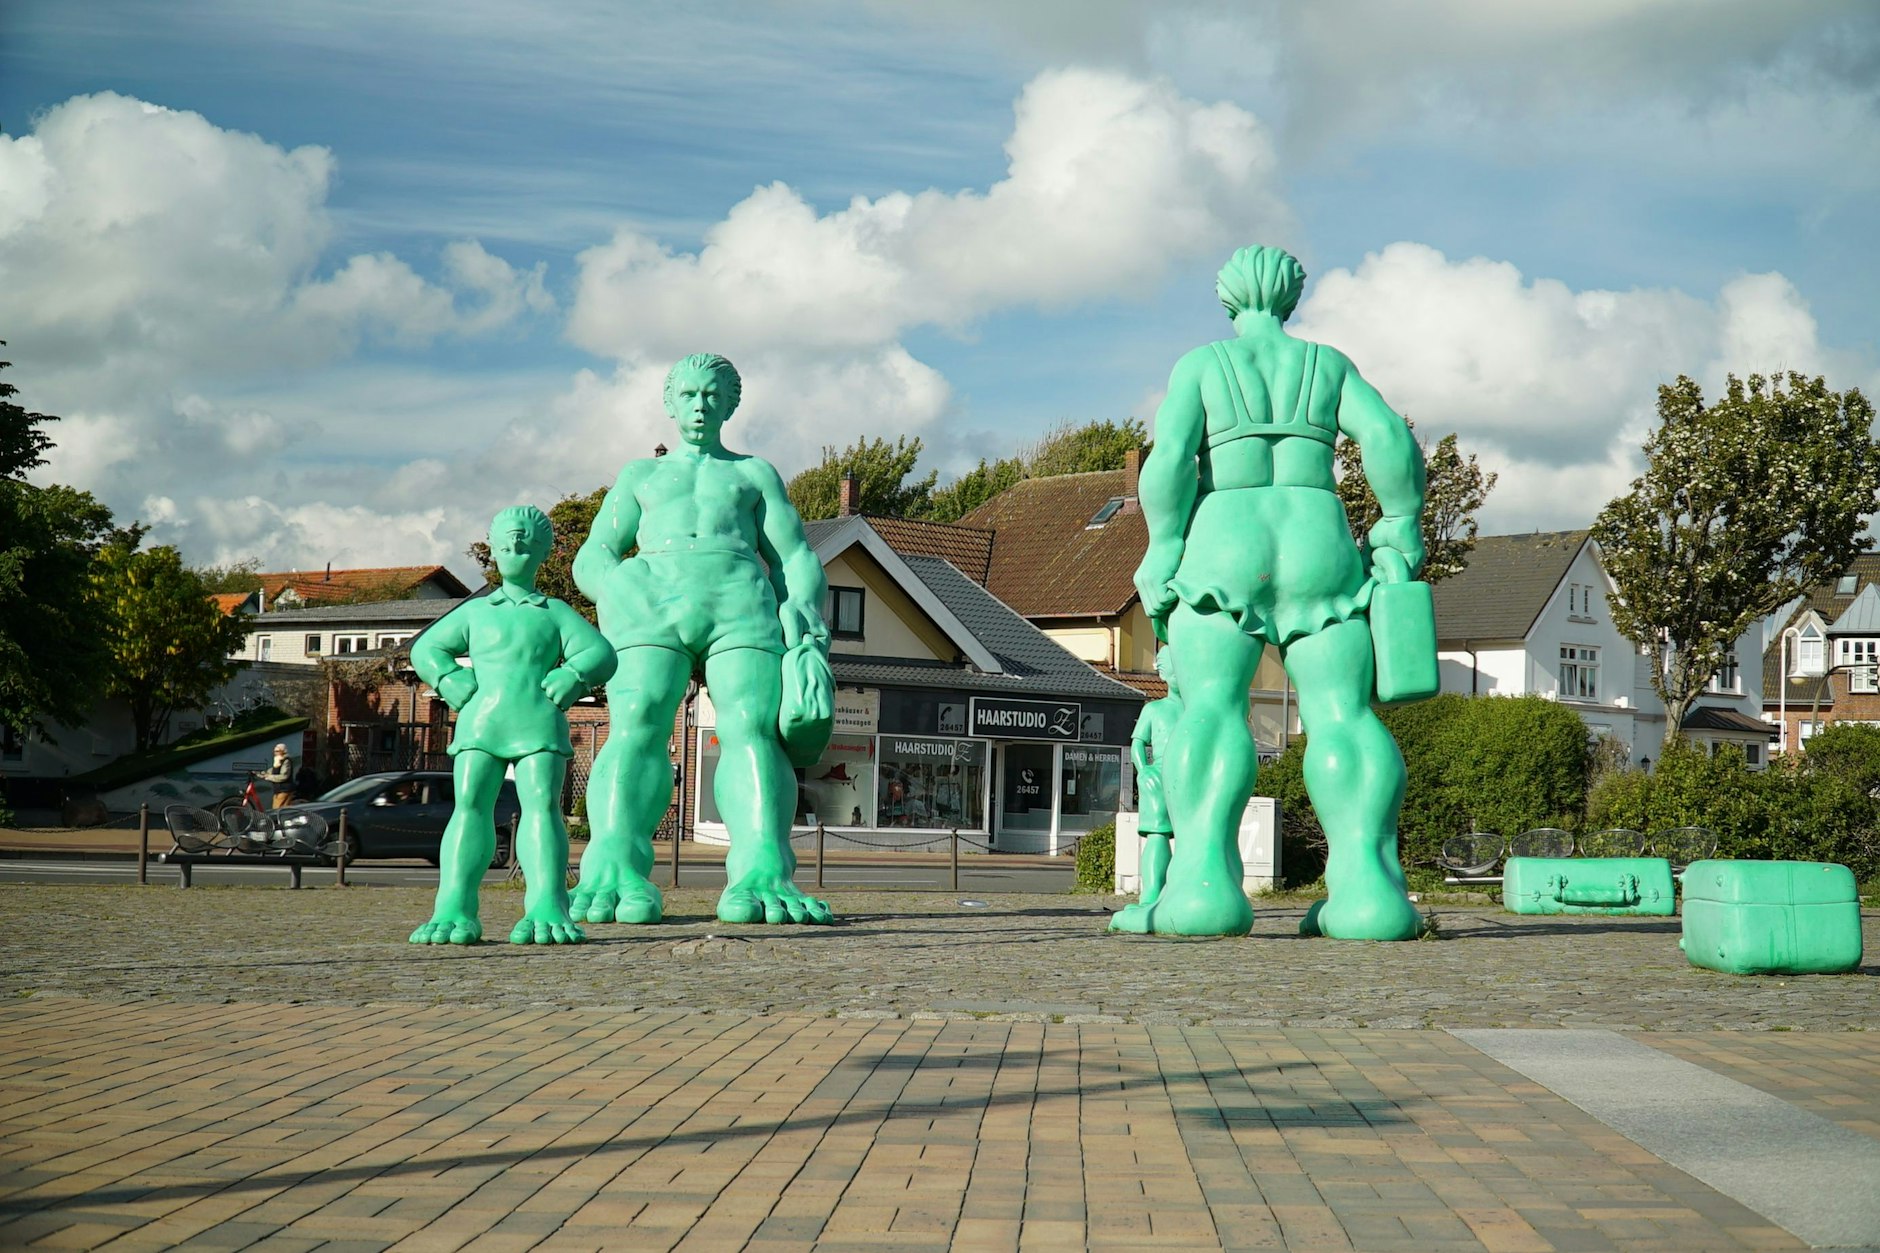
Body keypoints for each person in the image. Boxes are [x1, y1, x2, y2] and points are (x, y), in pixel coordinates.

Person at [1113, 244, 1427, 941]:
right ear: (1291, 299)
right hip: (1320, 541)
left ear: (1229, 300)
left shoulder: (1201, 366)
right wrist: (1400, 524)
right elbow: (1387, 438)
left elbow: (1168, 465)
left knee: (1209, 711)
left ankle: (1201, 889)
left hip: (1226, 539)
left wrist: (1162, 546)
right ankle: (1369, 893)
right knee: (1343, 714)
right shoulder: (1327, 365)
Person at [570, 353, 835, 926]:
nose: (700, 405)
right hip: (651, 605)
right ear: (669, 403)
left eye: (712, 396)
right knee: (637, 724)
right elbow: (594, 553)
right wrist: (617, 587)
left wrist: (802, 616)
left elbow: (794, 555)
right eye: (688, 395)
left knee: (752, 730)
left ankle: (764, 868)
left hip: (739, 605)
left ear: (730, 404)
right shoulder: (641, 475)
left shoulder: (753, 473)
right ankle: (611, 863)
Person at [408, 506, 618, 945]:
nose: (515, 547)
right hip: (481, 723)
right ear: (494, 553)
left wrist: (573, 675)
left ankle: (546, 903)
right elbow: (425, 649)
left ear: (543, 552)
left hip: (538, 721)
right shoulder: (477, 611)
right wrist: (448, 678)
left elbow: (601, 653)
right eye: (506, 543)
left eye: (524, 541)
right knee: (468, 807)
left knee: (542, 808)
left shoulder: (554, 612)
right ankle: (453, 905)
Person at [1129, 649, 1182, 908]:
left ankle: (1179, 892)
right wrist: (1145, 769)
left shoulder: (1198, 711)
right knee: (1158, 835)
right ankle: (1152, 894)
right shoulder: (1154, 709)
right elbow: (1137, 744)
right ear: (1162, 672)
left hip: (1192, 777)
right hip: (1160, 775)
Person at [261, 744, 295, 809]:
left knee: (276, 810)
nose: (275, 753)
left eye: (277, 751)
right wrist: (263, 773)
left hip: (284, 790)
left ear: (283, 751)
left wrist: (269, 777)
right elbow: (274, 770)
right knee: (279, 810)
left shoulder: (286, 761)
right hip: (278, 790)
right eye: (274, 751)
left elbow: (284, 776)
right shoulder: (278, 760)